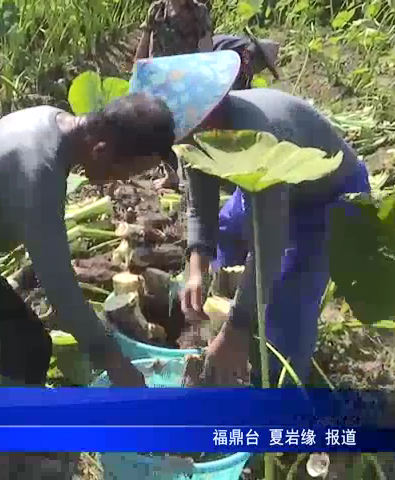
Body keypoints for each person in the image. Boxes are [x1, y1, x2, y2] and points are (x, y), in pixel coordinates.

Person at [130, 51, 371, 386]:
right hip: (265, 188)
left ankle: (275, 383)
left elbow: (270, 243)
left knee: (288, 294)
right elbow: (200, 208)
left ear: (208, 113)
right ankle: (227, 319)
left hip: (330, 197)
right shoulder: (195, 137)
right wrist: (196, 269)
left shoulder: (258, 132)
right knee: (227, 234)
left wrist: (238, 328)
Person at [0, 93, 179, 387]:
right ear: (101, 150)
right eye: (126, 173)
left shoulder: (52, 119)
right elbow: (60, 292)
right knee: (28, 348)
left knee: (7, 334)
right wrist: (114, 361)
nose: (119, 182)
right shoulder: (39, 170)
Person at [135, 0, 215, 191]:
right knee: (161, 127)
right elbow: (146, 41)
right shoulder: (157, 9)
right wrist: (137, 67)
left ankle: (195, 176)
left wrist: (207, 73)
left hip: (186, 79)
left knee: (188, 128)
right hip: (160, 78)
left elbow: (206, 46)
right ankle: (171, 175)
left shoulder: (199, 12)